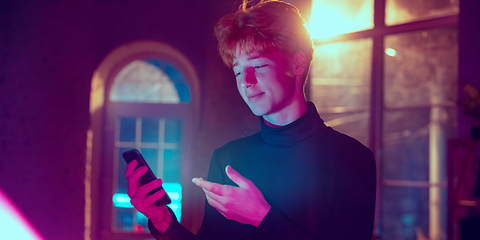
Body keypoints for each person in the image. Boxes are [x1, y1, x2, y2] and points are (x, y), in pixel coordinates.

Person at [125, 0, 377, 239]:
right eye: (237, 70)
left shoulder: (351, 158)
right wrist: (163, 221)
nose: (245, 82)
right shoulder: (227, 158)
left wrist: (261, 217)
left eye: (257, 66)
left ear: (298, 63)